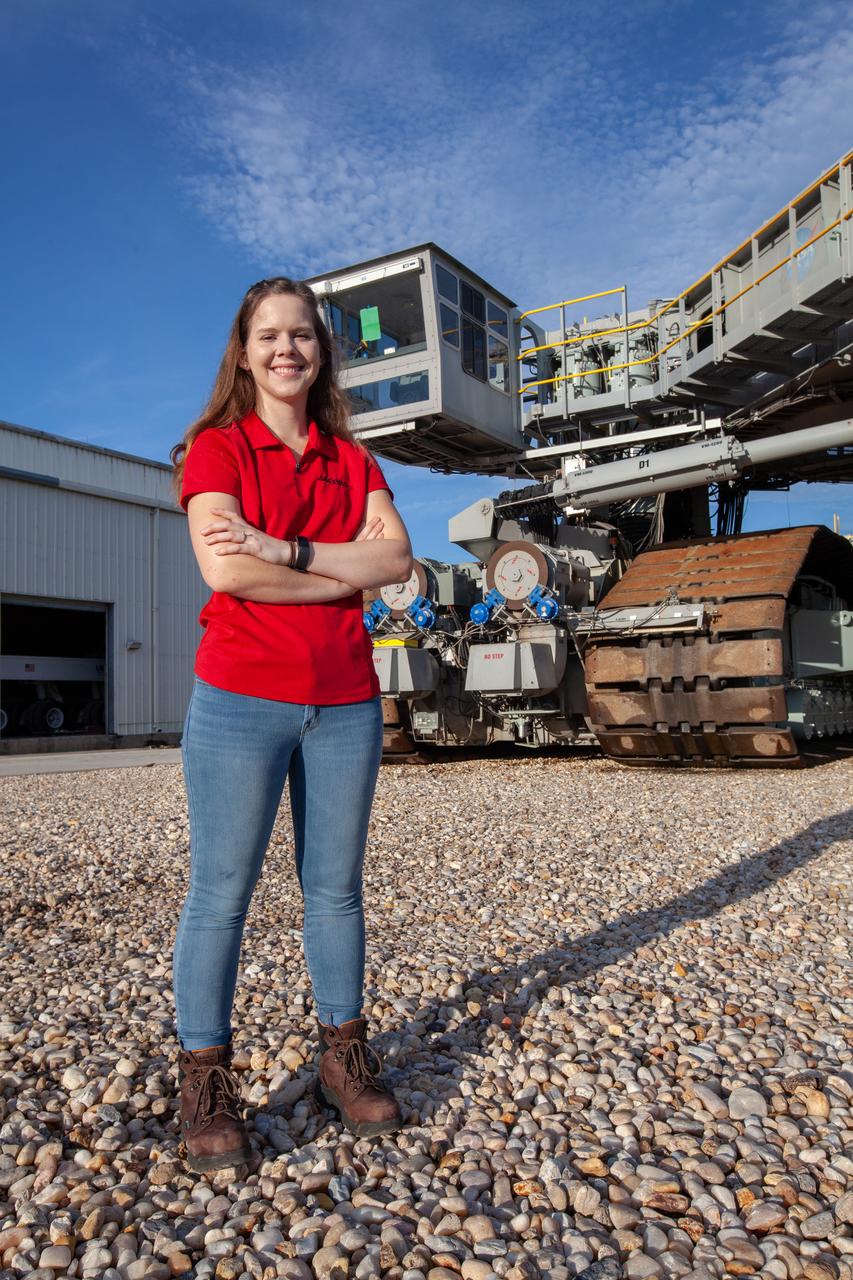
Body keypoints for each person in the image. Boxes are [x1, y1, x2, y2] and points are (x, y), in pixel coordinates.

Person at [169, 276, 414, 1172]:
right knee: (221, 892)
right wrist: (341, 576)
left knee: (336, 889)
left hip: (345, 700)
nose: (286, 350)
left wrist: (293, 552)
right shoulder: (216, 450)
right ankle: (204, 1076)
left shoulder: (352, 461)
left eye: (302, 336)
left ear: (321, 350)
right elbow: (228, 576)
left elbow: (396, 556)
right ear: (243, 351)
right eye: (268, 336)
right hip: (241, 697)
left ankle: (342, 1055)